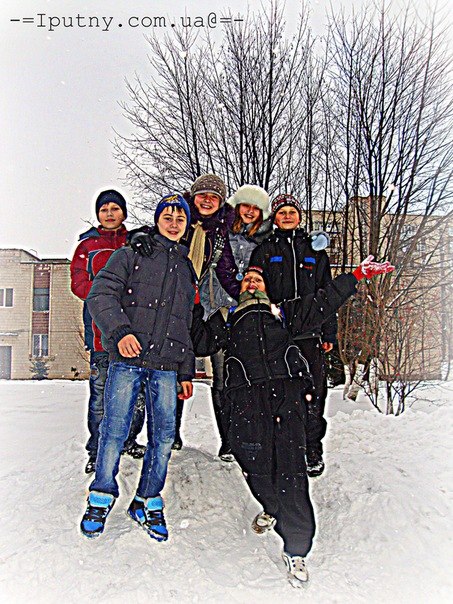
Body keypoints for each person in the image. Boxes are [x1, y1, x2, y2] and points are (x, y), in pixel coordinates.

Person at [190, 257, 394, 586]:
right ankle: (272, 506)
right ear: (239, 289)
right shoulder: (227, 318)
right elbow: (200, 342)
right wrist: (193, 302)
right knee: (253, 464)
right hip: (246, 401)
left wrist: (356, 275)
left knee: (291, 471)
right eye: (247, 280)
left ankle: (297, 549)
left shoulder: (283, 312)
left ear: (266, 288)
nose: (251, 283)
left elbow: (325, 300)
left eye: (257, 280)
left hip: (286, 396)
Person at [80, 194, 196, 541]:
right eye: (167, 217)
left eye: (180, 218)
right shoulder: (132, 253)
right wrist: (119, 332)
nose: (173, 223)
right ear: (157, 220)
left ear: (187, 225)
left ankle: (147, 500)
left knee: (163, 437)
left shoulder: (186, 268)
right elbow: (99, 294)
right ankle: (100, 496)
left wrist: (185, 370)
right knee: (114, 430)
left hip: (166, 365)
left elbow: (185, 323)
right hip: (128, 361)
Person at [130, 174, 240, 453]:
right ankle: (170, 434)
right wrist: (137, 236)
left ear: (221, 202)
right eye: (202, 195)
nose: (207, 201)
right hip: (175, 306)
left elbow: (227, 270)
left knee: (223, 376)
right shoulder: (179, 218)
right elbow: (153, 233)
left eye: (213, 197)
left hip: (210, 308)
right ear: (194, 197)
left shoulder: (223, 232)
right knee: (173, 369)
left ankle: (229, 441)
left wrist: (247, 297)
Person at [250, 193, 335, 478]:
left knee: (314, 393)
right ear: (274, 218)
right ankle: (281, 446)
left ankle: (312, 448)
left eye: (292, 212)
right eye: (282, 212)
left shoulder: (314, 251)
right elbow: (255, 290)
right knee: (278, 393)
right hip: (277, 334)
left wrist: (329, 331)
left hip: (310, 334)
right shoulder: (264, 250)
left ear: (299, 216)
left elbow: (327, 294)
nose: (287, 216)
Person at [70, 189, 145, 474]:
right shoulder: (87, 247)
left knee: (136, 393)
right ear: (98, 214)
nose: (110, 214)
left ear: (124, 213)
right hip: (101, 333)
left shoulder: (135, 242)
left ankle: (128, 440)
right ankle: (97, 449)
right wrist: (109, 294)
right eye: (104, 209)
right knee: (101, 396)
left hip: (135, 332)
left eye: (115, 208)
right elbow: (79, 285)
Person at [200, 184, 273, 461]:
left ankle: (250, 436)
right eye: (246, 205)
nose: (250, 212)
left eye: (256, 208)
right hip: (219, 311)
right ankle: (227, 440)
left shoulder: (266, 240)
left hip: (251, 314)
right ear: (237, 206)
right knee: (222, 378)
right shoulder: (221, 233)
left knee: (250, 378)